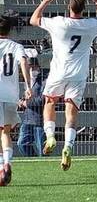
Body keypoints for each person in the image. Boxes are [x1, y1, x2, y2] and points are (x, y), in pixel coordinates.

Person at [30, 0, 97, 171]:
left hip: (59, 72)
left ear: (69, 7)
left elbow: (34, 20)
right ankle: (68, 146)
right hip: (79, 74)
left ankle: (50, 136)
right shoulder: (90, 25)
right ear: (84, 8)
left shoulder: (59, 22)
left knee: (49, 102)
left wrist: (44, 2)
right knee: (71, 111)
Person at [0, 16, 31, 186]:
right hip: (11, 95)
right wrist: (28, 85)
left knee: (0, 133)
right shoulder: (17, 46)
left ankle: (1, 168)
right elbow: (24, 62)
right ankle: (8, 163)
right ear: (10, 31)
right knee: (6, 132)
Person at [17, 57, 45, 157]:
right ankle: (34, 160)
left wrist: (26, 103)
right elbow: (27, 96)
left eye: (33, 67)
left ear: (38, 67)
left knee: (42, 149)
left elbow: (44, 99)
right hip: (28, 119)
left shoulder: (44, 80)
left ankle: (44, 165)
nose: (31, 70)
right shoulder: (27, 81)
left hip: (40, 120)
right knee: (22, 143)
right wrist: (21, 101)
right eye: (29, 68)